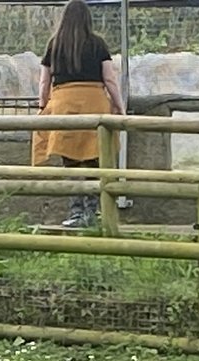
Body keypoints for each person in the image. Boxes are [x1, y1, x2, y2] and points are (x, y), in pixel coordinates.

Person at [32, 0, 126, 229]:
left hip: (64, 105)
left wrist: (43, 104)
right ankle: (91, 213)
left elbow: (45, 80)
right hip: (95, 104)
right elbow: (110, 79)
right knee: (95, 159)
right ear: (87, 19)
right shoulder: (98, 44)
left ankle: (75, 213)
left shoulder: (54, 44)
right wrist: (119, 106)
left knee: (71, 159)